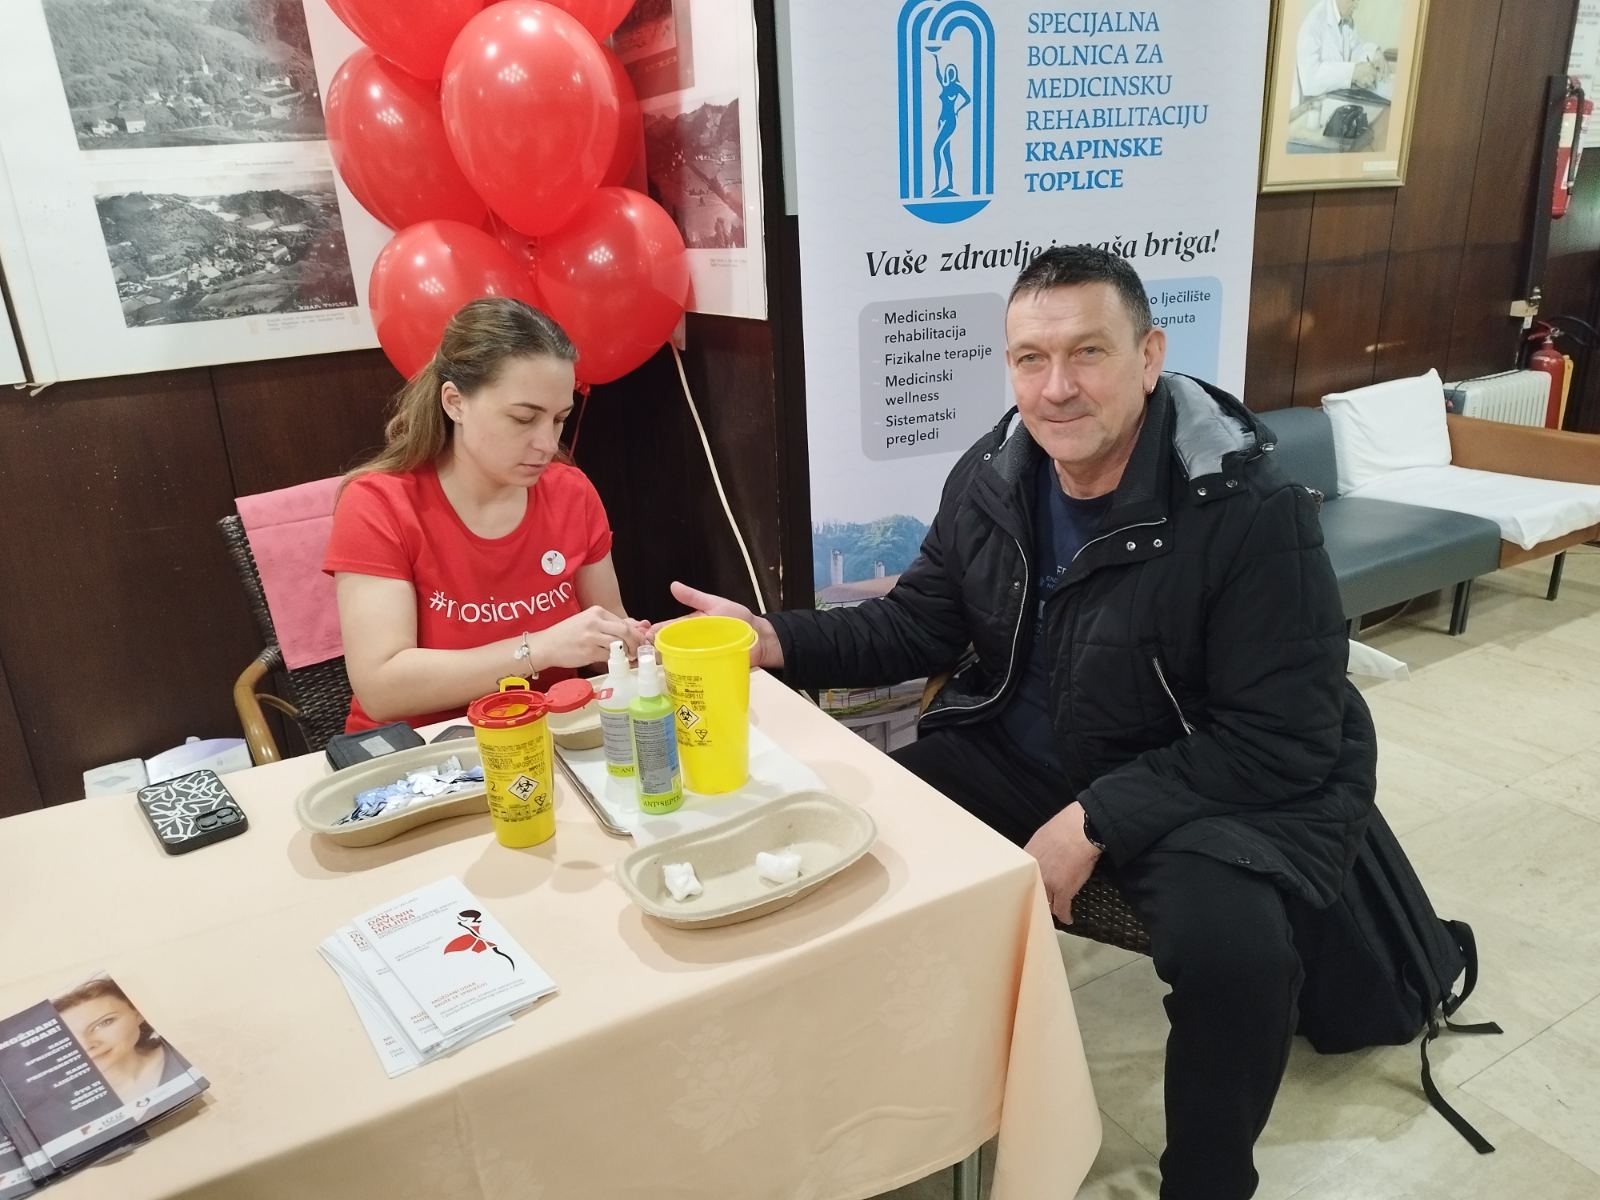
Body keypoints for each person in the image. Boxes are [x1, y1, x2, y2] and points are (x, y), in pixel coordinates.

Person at [667, 246, 1377, 1199]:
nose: (1056, 388)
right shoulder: (996, 472)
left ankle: (1208, 1181)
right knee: (861, 841)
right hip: (1023, 746)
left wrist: (1095, 820)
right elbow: (920, 623)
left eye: (1088, 353)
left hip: (1195, 780)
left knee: (1236, 958)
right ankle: (902, 1111)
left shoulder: (1247, 508)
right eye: (1031, 359)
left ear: (1149, 356)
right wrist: (774, 639)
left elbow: (1283, 736)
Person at [324, 298, 641, 733]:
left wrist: (643, 646)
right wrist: (540, 649)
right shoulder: (379, 503)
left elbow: (610, 633)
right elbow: (382, 690)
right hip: (422, 750)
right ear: (455, 402)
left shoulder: (571, 491)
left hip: (548, 736)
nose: (548, 444)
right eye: (523, 419)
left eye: (559, 420)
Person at [54, 977, 190, 1113]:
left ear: (138, 1014)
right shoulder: (62, 1109)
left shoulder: (184, 1054)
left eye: (104, 1023)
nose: (86, 1045)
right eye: (68, 1036)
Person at [1295, 0, 1389, 105]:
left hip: (1338, 99)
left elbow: (1355, 48)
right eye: (1353, 0)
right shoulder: (1314, 22)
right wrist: (1353, 72)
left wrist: (1374, 53)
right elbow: (1310, 81)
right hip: (1315, 106)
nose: (1356, 5)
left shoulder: (1344, 18)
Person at [928, 50, 971, 198]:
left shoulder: (957, 87)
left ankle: (937, 185)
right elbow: (938, 75)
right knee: (946, 153)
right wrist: (936, 58)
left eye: (952, 72)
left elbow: (968, 99)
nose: (949, 74)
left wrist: (958, 109)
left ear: (955, 74)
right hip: (941, 120)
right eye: (948, 72)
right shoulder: (945, 86)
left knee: (936, 150)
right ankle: (949, 183)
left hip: (950, 121)